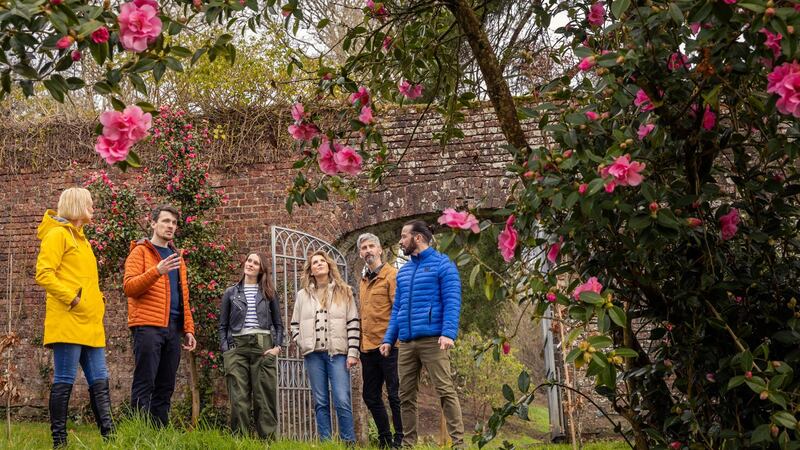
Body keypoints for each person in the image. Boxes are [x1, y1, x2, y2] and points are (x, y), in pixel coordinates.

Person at [35, 187, 114, 448]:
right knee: (65, 378)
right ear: (78, 205)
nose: (93, 208)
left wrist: (97, 300)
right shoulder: (57, 235)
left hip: (91, 322)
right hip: (68, 318)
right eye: (90, 203)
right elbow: (44, 274)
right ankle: (60, 441)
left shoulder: (82, 239)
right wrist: (73, 298)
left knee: (100, 379)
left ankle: (110, 438)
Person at [379, 220, 465, 448]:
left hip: (433, 340)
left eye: (404, 236)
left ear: (417, 237)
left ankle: (459, 444)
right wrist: (389, 338)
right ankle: (408, 445)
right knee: (404, 396)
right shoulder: (404, 272)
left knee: (445, 391)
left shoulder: (443, 265)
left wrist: (448, 333)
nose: (400, 241)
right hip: (406, 343)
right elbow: (398, 308)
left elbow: (452, 301)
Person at [123, 204, 196, 427]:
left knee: (166, 384)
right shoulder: (140, 251)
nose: (170, 226)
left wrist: (189, 329)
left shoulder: (177, 256)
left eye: (174, 223)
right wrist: (157, 271)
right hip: (147, 326)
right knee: (145, 381)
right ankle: (138, 431)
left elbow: (183, 295)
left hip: (173, 329)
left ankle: (159, 433)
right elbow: (129, 287)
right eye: (165, 221)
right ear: (153, 223)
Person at [290, 250, 360, 445]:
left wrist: (352, 352)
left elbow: (353, 323)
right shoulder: (302, 295)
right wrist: (301, 341)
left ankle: (349, 443)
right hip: (313, 356)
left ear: (329, 266)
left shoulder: (344, 291)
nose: (319, 264)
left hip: (337, 355)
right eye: (314, 263)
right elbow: (294, 325)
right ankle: (327, 443)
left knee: (342, 400)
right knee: (320, 402)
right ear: (311, 270)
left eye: (322, 261)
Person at [219, 252, 284, 439]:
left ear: (261, 269)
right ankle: (240, 441)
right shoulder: (231, 293)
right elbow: (223, 326)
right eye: (249, 261)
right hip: (236, 346)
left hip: (263, 345)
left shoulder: (269, 293)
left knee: (264, 397)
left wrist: (277, 347)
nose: (251, 264)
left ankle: (268, 442)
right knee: (239, 398)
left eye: (256, 263)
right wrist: (226, 349)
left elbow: (278, 324)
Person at [357, 233, 403, 448]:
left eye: (371, 246)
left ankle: (400, 439)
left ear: (380, 250)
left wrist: (391, 339)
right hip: (367, 348)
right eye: (364, 248)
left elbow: (398, 309)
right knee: (370, 395)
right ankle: (384, 439)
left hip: (389, 346)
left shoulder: (392, 275)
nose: (368, 251)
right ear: (360, 253)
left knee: (395, 395)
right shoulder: (363, 280)